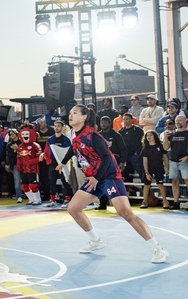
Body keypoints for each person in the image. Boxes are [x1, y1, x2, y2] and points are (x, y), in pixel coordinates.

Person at [65, 104, 167, 263]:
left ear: (84, 117)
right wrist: (62, 163)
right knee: (73, 208)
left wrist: (96, 177)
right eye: (70, 113)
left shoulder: (93, 135)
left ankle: (158, 249)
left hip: (108, 176)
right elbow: (74, 150)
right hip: (95, 178)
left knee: (126, 213)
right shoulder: (75, 135)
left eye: (75, 113)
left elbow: (106, 157)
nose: (70, 115)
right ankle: (96, 241)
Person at [163, 115, 187, 208]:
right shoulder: (172, 134)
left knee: (187, 181)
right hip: (173, 161)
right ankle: (176, 202)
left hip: (185, 161)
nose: (178, 122)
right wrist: (165, 138)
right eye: (176, 120)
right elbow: (165, 148)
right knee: (174, 181)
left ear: (185, 121)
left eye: (180, 120)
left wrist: (187, 157)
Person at [140, 130, 169, 209]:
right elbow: (145, 161)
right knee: (146, 185)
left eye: (151, 135)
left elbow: (165, 158)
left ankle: (165, 201)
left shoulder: (160, 146)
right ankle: (145, 201)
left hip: (158, 168)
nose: (149, 137)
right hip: (149, 169)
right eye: (147, 135)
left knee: (160, 184)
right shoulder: (145, 148)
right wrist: (146, 172)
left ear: (155, 136)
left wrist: (167, 168)